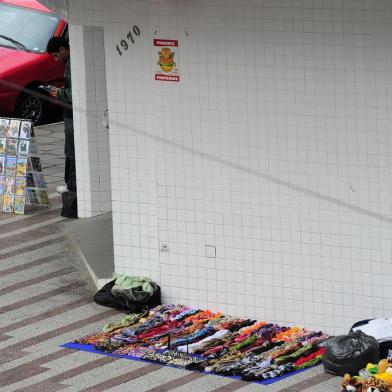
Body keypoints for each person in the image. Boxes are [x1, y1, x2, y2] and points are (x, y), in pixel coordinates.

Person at [46, 37, 77, 218]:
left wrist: (59, 93)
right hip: (69, 114)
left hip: (71, 115)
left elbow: (74, 93)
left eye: (57, 55)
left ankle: (72, 189)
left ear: (63, 48)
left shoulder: (72, 63)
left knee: (71, 154)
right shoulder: (70, 63)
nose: (56, 60)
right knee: (68, 153)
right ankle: (70, 186)